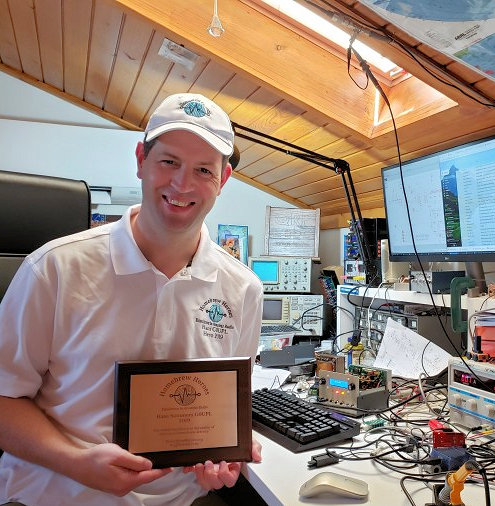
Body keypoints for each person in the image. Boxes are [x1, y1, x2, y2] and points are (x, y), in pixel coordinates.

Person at [0, 93, 264, 505]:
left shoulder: (243, 289)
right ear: (141, 159)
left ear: (223, 179)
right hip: (58, 495)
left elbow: (225, 408)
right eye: (169, 161)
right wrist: (75, 462)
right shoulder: (54, 268)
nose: (182, 184)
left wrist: (225, 455)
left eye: (203, 170)